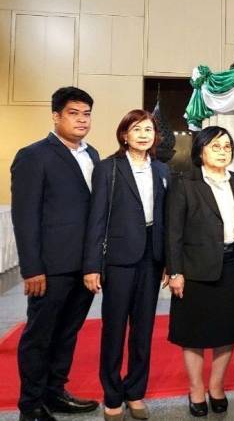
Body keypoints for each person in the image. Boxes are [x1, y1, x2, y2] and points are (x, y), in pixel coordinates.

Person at [11, 87, 100, 421]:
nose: (81, 120)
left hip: (85, 266)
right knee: (40, 336)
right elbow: (25, 217)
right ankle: (31, 405)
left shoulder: (92, 154)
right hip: (49, 267)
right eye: (73, 113)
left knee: (67, 333)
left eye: (86, 114)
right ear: (56, 116)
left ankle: (55, 392)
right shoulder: (33, 156)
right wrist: (32, 268)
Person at [82, 110, 169, 421]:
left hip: (151, 258)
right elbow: (96, 219)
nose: (144, 135)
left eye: (148, 129)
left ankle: (135, 392)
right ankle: (112, 396)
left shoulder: (162, 169)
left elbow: (167, 218)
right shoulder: (108, 168)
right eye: (137, 129)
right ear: (124, 135)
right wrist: (92, 266)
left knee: (143, 330)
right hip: (119, 258)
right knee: (114, 329)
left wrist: (169, 262)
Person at [166, 127, 234, 417]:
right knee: (194, 333)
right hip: (194, 269)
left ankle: (216, 385)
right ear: (200, 151)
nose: (223, 151)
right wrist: (175, 271)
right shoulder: (185, 183)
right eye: (215, 146)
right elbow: (173, 231)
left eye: (227, 146)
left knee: (226, 331)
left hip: (231, 265)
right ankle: (196, 388)